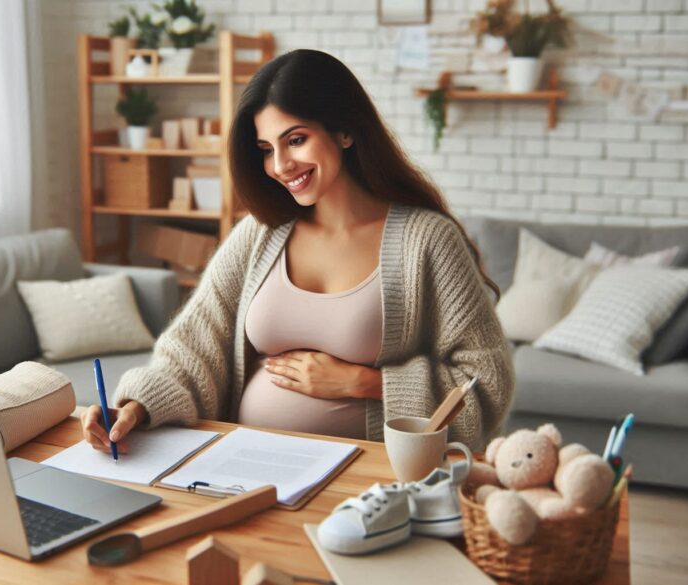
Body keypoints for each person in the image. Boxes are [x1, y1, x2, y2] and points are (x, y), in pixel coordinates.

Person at [81, 49, 513, 453]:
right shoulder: (259, 235)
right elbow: (193, 348)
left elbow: (486, 379)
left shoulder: (427, 240)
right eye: (267, 150)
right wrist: (136, 406)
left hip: (366, 478)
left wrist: (366, 383)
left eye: (296, 140)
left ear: (344, 130)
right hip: (248, 464)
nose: (281, 166)